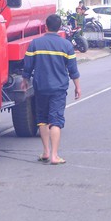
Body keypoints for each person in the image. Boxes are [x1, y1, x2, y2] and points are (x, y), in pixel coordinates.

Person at [22, 14, 81, 165]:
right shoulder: (66, 45)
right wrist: (77, 87)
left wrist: (25, 80)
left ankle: (46, 152)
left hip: (41, 88)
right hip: (58, 89)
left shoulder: (35, 43)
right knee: (55, 121)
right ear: (60, 27)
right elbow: (73, 70)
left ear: (45, 27)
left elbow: (28, 65)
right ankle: (55, 156)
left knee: (42, 119)